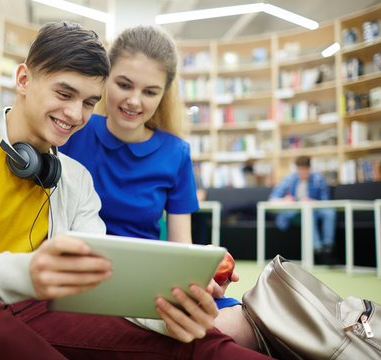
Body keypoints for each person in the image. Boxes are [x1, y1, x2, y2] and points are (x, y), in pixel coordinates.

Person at [0, 22, 273, 360]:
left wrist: (170, 309)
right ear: (23, 80)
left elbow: (103, 279)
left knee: (200, 345)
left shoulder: (75, 179)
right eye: (64, 93)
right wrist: (29, 272)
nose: (75, 115)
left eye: (89, 102)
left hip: (42, 314)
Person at [60, 25, 258, 351]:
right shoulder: (74, 129)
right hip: (82, 282)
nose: (134, 101)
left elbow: (182, 247)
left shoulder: (176, 153)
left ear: (164, 94)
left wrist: (202, 277)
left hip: (151, 289)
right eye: (124, 84)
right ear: (105, 78)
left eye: (150, 92)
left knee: (242, 328)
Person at [269, 155, 337, 264]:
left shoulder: (318, 179)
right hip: (295, 214)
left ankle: (328, 247)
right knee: (308, 215)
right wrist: (286, 199)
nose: (302, 173)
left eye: (305, 170)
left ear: (310, 169)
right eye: (300, 170)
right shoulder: (289, 179)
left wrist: (312, 201)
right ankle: (318, 250)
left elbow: (326, 202)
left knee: (329, 212)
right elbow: (273, 199)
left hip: (315, 210)